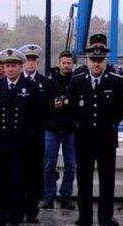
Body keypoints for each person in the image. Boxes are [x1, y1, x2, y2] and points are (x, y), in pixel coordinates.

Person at [70, 44, 123, 226]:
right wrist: (79, 124)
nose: (96, 64)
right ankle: (84, 220)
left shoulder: (116, 81)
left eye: (100, 60)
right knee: (84, 181)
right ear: (87, 60)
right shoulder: (77, 80)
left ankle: (105, 220)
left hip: (106, 138)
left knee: (106, 181)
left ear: (105, 61)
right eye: (93, 60)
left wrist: (111, 123)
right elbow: (71, 106)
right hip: (84, 139)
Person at [0, 48, 43, 226]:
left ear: (21, 67)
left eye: (13, 66)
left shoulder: (30, 87)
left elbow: (38, 116)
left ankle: (16, 218)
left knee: (18, 182)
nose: (10, 69)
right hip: (1, 143)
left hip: (21, 144)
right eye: (7, 66)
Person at [18, 43, 51, 224]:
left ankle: (32, 209)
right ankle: (19, 208)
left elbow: (48, 109)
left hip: (36, 136)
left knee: (34, 173)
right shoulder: (17, 81)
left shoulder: (45, 83)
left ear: (37, 62)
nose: (30, 64)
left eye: (33, 60)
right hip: (19, 135)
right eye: (27, 60)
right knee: (19, 173)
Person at [43, 50, 76, 210]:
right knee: (49, 165)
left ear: (72, 64)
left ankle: (66, 196)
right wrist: (52, 105)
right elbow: (42, 103)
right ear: (59, 63)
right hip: (52, 127)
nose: (66, 66)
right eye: (64, 63)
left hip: (70, 128)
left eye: (69, 63)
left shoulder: (76, 81)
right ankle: (49, 196)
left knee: (71, 165)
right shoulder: (49, 81)